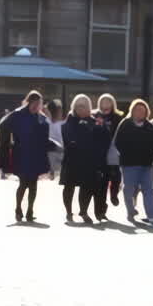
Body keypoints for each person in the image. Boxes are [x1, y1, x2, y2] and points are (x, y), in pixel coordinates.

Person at [1, 90, 52, 223]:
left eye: (39, 104)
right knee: (23, 183)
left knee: (33, 184)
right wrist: (9, 143)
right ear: (29, 102)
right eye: (34, 103)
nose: (36, 107)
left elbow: (45, 137)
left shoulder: (41, 118)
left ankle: (30, 210)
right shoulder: (18, 114)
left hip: (35, 155)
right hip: (22, 154)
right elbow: (4, 125)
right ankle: (18, 208)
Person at [114, 98, 153, 227]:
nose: (140, 112)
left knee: (148, 190)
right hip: (129, 164)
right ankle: (131, 210)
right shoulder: (125, 124)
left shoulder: (150, 127)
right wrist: (127, 152)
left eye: (142, 110)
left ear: (147, 112)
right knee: (128, 189)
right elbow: (118, 142)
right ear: (132, 111)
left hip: (146, 164)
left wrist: (151, 154)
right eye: (137, 110)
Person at [60, 94, 99, 223]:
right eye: (78, 106)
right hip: (71, 159)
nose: (81, 109)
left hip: (88, 160)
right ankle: (68, 212)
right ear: (74, 107)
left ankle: (84, 211)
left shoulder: (94, 122)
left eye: (84, 106)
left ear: (89, 107)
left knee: (86, 187)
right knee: (69, 187)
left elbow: (98, 139)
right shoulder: (68, 122)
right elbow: (68, 139)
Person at [92, 94, 124, 220]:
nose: (105, 104)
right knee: (102, 182)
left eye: (108, 101)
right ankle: (101, 210)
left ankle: (114, 194)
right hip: (99, 151)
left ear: (112, 103)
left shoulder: (118, 116)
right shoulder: (95, 115)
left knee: (116, 176)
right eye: (103, 101)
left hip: (114, 148)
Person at [46, 99, 64, 182]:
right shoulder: (46, 122)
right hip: (51, 152)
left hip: (60, 153)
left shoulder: (63, 124)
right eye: (59, 110)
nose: (61, 113)